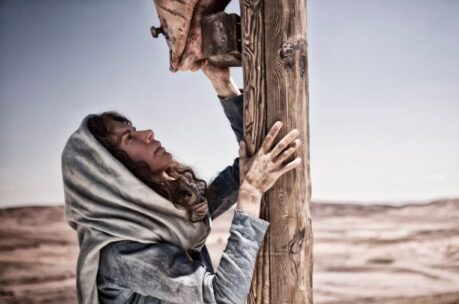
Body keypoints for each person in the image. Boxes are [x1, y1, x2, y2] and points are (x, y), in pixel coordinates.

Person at [61, 62, 302, 304]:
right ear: (112, 174)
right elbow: (221, 300)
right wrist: (249, 195)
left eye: (134, 129)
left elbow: (247, 167)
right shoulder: (123, 254)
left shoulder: (168, 215)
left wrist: (224, 87)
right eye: (129, 137)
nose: (148, 133)